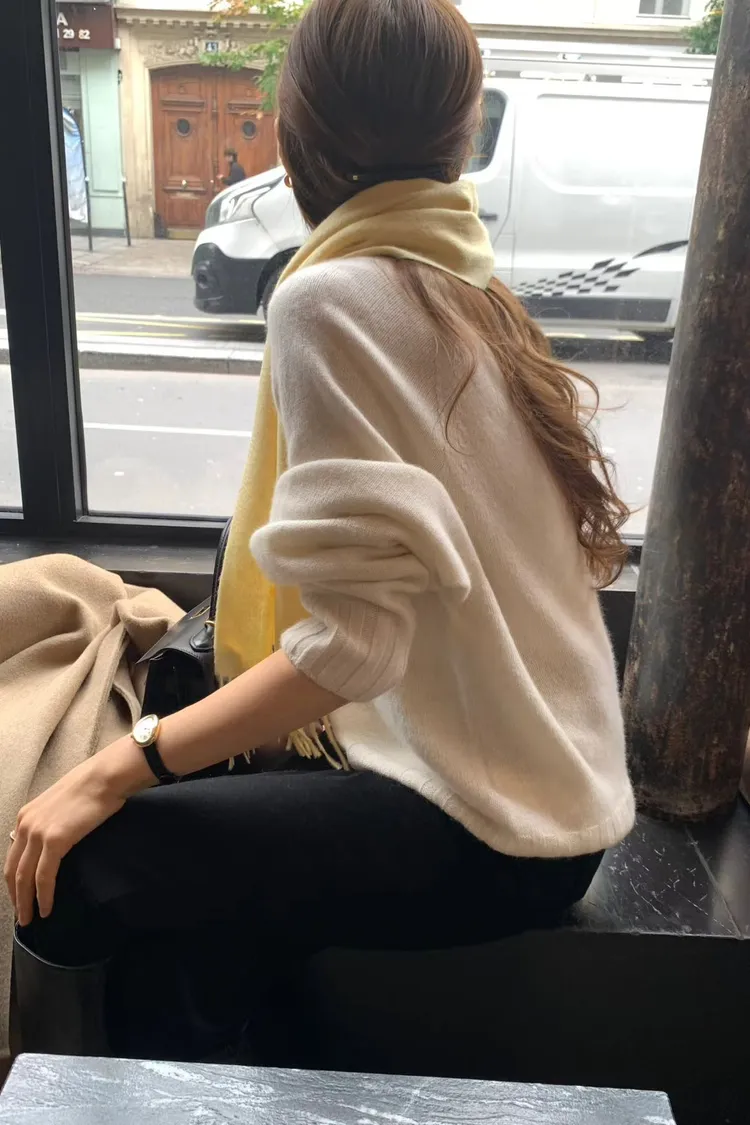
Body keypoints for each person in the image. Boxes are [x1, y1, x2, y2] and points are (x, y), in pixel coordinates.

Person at [5, 0, 635, 1064]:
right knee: (202, 918)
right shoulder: (469, 286)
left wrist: (119, 768)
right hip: (560, 791)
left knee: (79, 874)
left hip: (489, 824)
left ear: (293, 133)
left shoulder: (330, 298)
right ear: (458, 135)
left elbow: (356, 647)